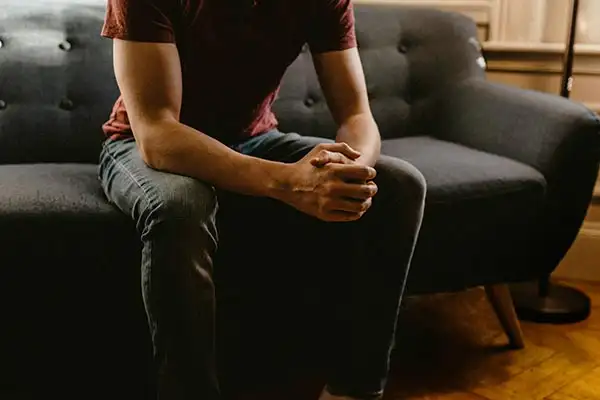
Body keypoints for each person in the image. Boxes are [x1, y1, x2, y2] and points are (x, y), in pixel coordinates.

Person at [99, 0, 426, 399]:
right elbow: (157, 134)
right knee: (180, 208)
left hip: (255, 140)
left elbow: (357, 116)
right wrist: (290, 182)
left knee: (399, 185)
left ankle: (354, 390)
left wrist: (349, 173)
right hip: (142, 143)